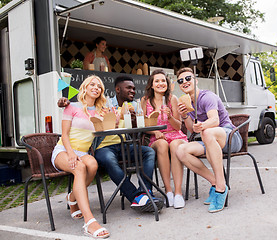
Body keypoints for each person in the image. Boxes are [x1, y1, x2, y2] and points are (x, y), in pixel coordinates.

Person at [58, 75, 163, 213]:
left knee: (148, 151)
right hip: (103, 148)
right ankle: (136, 197)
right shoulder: (103, 106)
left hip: (123, 145)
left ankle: (145, 191)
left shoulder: (130, 107)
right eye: (129, 88)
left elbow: (137, 127)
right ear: (117, 90)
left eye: (134, 88)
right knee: (109, 159)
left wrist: (134, 118)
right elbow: (90, 120)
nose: (133, 91)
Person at [175, 67, 243, 213]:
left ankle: (221, 187)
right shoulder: (187, 103)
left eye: (188, 78)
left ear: (196, 80)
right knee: (181, 150)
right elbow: (192, 130)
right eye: (181, 81)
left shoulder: (207, 97)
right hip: (210, 141)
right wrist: (185, 115)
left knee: (207, 132)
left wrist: (202, 126)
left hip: (230, 137)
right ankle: (214, 182)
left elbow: (214, 120)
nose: (185, 82)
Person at [51, 75, 110, 238]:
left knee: (93, 165)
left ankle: (72, 197)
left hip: (83, 152)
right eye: (92, 84)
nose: (96, 88)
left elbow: (102, 133)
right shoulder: (72, 106)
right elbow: (64, 133)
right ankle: (90, 222)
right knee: (80, 167)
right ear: (84, 87)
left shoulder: (101, 112)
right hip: (63, 149)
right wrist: (70, 154)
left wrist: (112, 118)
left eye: (99, 86)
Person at [141, 69, 188, 209]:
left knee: (174, 145)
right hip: (157, 137)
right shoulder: (145, 101)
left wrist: (169, 117)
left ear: (167, 84)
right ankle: (168, 191)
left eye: (163, 81)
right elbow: (142, 124)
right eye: (157, 81)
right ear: (152, 85)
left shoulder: (172, 99)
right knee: (162, 144)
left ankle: (178, 192)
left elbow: (178, 126)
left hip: (175, 135)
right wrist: (155, 131)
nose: (160, 83)